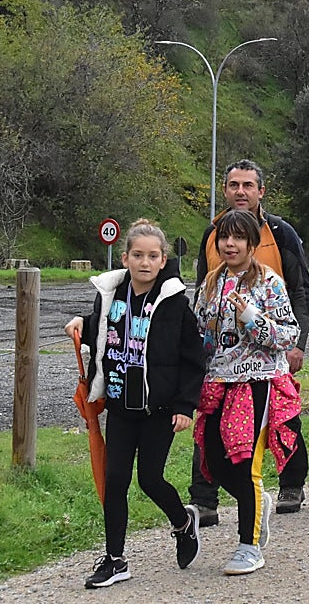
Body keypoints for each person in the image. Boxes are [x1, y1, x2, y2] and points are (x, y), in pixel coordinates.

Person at [66, 220, 205, 589]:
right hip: (120, 406)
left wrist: (184, 406)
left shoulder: (175, 304)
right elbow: (102, 331)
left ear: (163, 262)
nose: (145, 262)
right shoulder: (111, 295)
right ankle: (115, 559)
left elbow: (193, 359)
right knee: (115, 480)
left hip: (159, 409)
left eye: (153, 256)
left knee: (149, 479)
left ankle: (183, 522)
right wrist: (82, 322)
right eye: (138, 255)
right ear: (125, 257)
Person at [190, 160, 309, 523]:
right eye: (233, 185)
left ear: (261, 191)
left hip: (270, 351)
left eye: (247, 185)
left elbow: (301, 292)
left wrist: (297, 345)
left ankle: (291, 483)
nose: (240, 191)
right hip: (220, 364)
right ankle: (205, 499)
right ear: (224, 190)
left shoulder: (281, 233)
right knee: (210, 426)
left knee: (283, 418)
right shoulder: (211, 235)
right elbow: (200, 292)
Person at [193, 209, 300, 575]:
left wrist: (253, 319)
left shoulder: (269, 282)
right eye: (224, 237)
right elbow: (199, 337)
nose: (230, 244)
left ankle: (248, 546)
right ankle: (256, 505)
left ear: (252, 243)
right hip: (217, 382)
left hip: (258, 382)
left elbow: (289, 335)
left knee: (245, 462)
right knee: (215, 459)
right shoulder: (210, 282)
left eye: (238, 238)